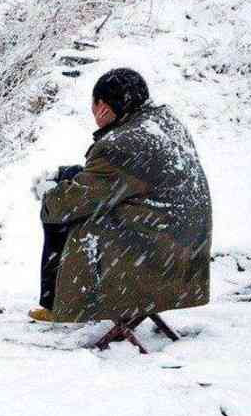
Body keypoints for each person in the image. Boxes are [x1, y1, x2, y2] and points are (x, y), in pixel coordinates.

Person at [29, 68, 212, 323]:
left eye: (94, 106)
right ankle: (56, 301)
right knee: (72, 190)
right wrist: (68, 176)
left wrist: (48, 194)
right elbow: (118, 177)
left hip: (158, 257)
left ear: (102, 105)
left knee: (65, 216)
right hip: (184, 249)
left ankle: (59, 305)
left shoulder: (123, 143)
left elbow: (70, 204)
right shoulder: (161, 123)